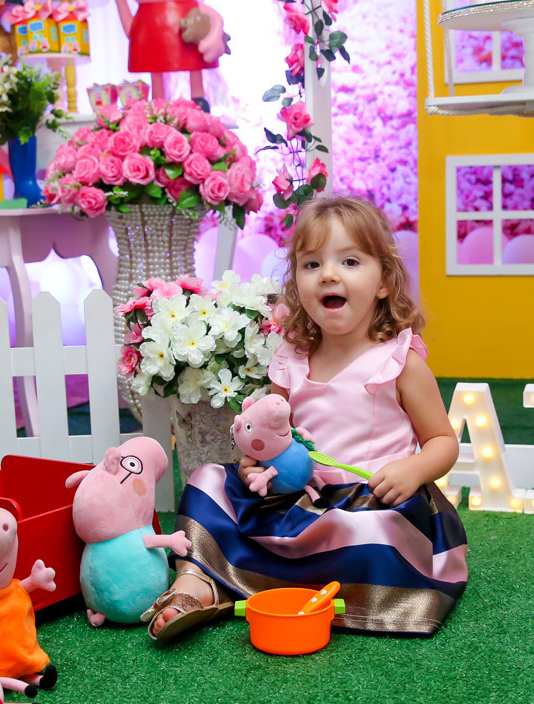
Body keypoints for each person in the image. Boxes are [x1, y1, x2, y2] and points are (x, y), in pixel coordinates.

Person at [142, 195, 467, 640]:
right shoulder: (291, 359)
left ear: (384, 282)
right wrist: (256, 466)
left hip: (372, 501)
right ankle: (196, 580)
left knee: (375, 531)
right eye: (312, 264)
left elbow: (443, 442)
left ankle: (279, 582)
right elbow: (276, 437)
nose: (329, 274)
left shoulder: (399, 361)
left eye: (350, 261)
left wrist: (413, 470)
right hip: (298, 498)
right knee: (207, 479)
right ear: (297, 283)